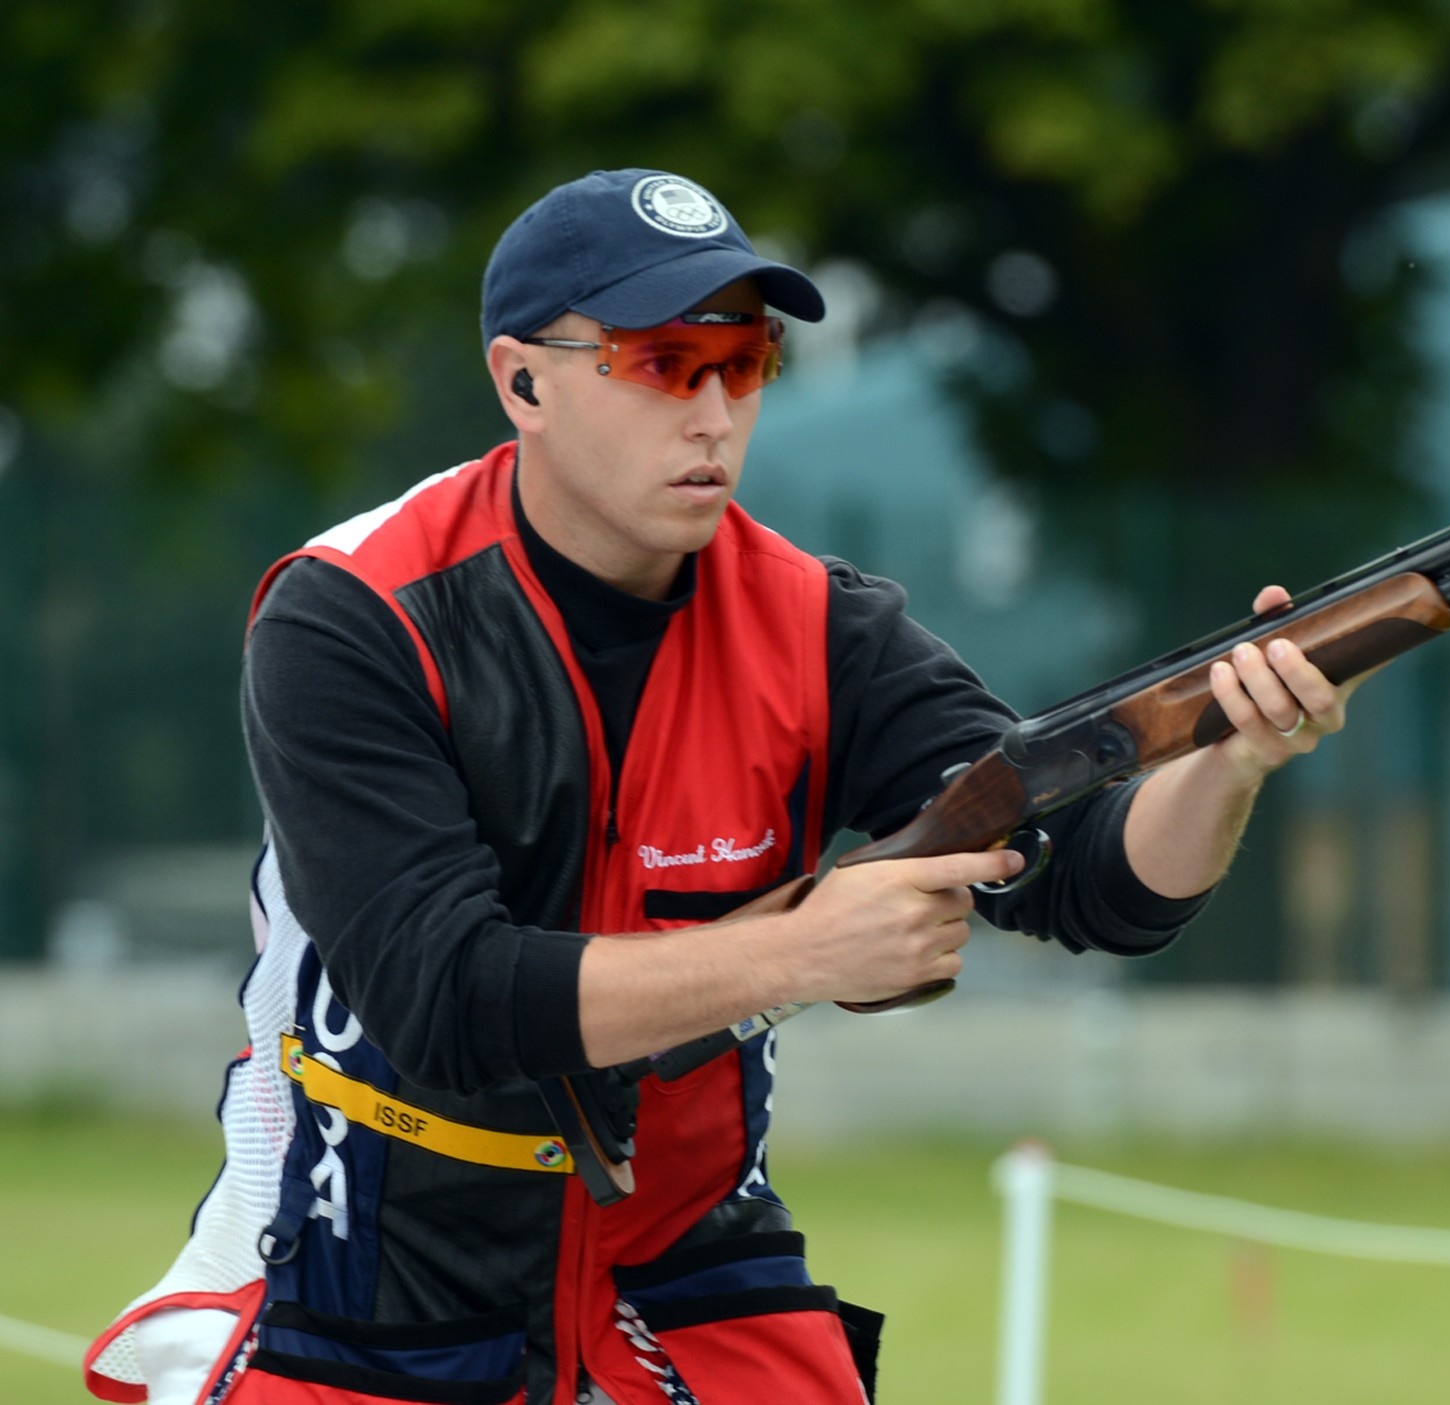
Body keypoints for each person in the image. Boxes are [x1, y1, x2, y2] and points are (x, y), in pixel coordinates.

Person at [85, 168, 1354, 1405]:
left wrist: (1231, 756)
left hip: (684, 1255)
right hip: (362, 1262)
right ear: (520, 379)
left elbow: (1085, 888)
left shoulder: (823, 625)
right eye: (660, 364)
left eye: (743, 364)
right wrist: (802, 954)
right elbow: (447, 998)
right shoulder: (354, 614)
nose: (714, 415)